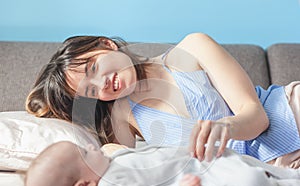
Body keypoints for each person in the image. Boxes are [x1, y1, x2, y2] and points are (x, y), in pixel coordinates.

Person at [25, 33, 300, 168]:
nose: (102, 84)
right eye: (91, 91)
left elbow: (256, 115)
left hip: (290, 113)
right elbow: (124, 164)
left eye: (93, 69)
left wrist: (227, 127)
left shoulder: (194, 46)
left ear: (107, 44)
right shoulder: (122, 116)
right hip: (273, 169)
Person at [25, 141, 300, 186]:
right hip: (204, 180)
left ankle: (287, 176)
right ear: (84, 185)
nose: (91, 146)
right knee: (254, 182)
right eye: (85, 153)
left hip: (199, 161)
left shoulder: (108, 165)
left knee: (258, 166)